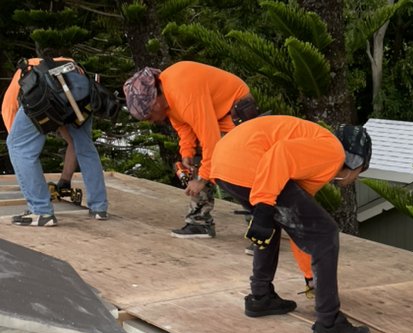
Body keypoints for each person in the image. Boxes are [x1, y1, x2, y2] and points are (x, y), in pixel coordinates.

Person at [211, 115, 372, 333]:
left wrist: (310, 276)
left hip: (228, 166)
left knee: (275, 226)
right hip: (249, 165)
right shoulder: (332, 152)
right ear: (357, 162)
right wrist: (265, 205)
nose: (355, 179)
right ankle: (329, 324)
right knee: (326, 233)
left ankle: (261, 296)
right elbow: (281, 153)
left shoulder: (315, 153)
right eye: (360, 173)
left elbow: (297, 225)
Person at [123, 61, 257, 239]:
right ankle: (199, 223)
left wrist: (202, 180)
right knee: (196, 163)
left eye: (148, 117)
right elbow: (184, 127)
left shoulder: (183, 93)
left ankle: (261, 228)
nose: (151, 121)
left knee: (234, 169)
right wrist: (187, 155)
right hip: (213, 116)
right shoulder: (167, 98)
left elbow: (211, 139)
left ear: (154, 103)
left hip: (234, 110)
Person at [2, 56, 109, 226]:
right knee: (84, 144)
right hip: (80, 87)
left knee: (18, 147)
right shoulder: (56, 62)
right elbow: (72, 142)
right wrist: (64, 182)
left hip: (48, 88)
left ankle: (41, 212)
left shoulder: (10, 103)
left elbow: (18, 143)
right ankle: (99, 208)